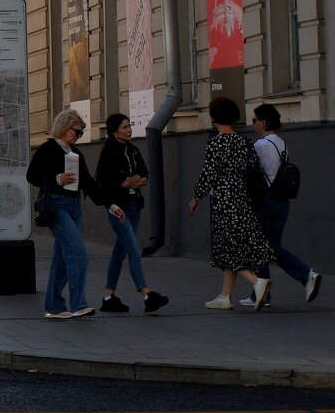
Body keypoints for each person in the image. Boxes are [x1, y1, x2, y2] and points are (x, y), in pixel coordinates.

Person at [27, 108, 127, 319]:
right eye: (77, 131)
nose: (79, 136)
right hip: (56, 206)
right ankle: (79, 304)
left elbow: (90, 185)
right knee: (78, 250)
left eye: (81, 132)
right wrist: (57, 179)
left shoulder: (76, 154)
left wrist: (111, 205)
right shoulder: (47, 149)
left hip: (74, 206)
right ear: (64, 127)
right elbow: (32, 175)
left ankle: (54, 306)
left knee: (62, 256)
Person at [187, 96, 274, 311]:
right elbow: (254, 168)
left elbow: (209, 174)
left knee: (227, 243)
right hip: (242, 196)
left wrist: (196, 197)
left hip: (224, 197)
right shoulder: (244, 141)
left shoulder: (216, 143)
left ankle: (256, 282)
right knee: (232, 243)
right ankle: (225, 296)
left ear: (214, 117)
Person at [241, 103, 321, 307]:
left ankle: (304, 276)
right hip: (282, 203)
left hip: (265, 203)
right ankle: (262, 294)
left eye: (254, 120)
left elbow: (252, 174)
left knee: (264, 248)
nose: (253, 124)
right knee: (270, 246)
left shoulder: (261, 145)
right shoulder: (281, 143)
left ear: (263, 122)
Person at [94, 114, 169, 314]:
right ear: (114, 131)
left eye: (130, 126)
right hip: (119, 209)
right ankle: (147, 294)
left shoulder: (133, 150)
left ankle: (108, 297)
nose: (129, 130)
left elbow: (144, 177)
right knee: (134, 250)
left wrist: (130, 180)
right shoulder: (109, 153)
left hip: (135, 205)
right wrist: (128, 181)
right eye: (125, 127)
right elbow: (114, 182)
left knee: (119, 253)